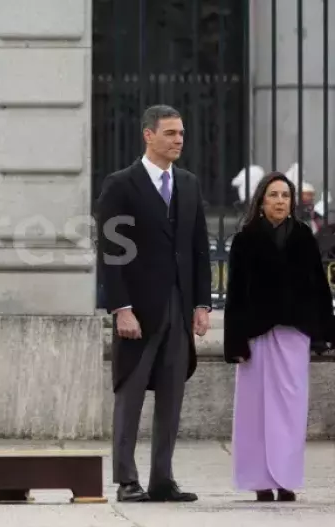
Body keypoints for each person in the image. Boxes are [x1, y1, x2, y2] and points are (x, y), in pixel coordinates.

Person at [96, 104, 211, 503]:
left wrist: (201, 304)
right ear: (148, 135)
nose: (178, 140)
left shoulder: (190, 184)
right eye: (170, 133)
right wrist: (121, 307)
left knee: (172, 395)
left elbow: (198, 249)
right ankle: (127, 480)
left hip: (179, 309)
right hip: (138, 310)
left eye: (181, 133)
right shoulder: (120, 184)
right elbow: (111, 253)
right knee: (129, 395)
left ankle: (163, 478)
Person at [224, 172, 335, 502]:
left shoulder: (303, 237)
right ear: (261, 201)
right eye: (273, 195)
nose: (280, 201)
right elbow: (235, 295)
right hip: (257, 334)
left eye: (285, 196)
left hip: (294, 334)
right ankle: (259, 480)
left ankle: (286, 479)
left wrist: (323, 333)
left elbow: (318, 287)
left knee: (290, 408)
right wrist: (235, 342)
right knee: (255, 410)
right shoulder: (246, 239)